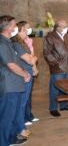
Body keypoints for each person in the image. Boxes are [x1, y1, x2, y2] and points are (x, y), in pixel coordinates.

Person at [0, 15, 31, 146]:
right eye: (13, 25)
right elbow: (11, 65)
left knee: (12, 114)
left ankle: (12, 137)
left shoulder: (9, 42)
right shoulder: (2, 43)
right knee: (6, 116)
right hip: (9, 85)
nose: (15, 27)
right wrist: (25, 74)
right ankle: (3, 141)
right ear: (7, 27)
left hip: (15, 84)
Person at [11, 21, 39, 139]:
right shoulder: (17, 44)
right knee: (21, 104)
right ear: (21, 30)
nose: (28, 31)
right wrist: (33, 59)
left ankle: (21, 126)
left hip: (27, 73)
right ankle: (20, 128)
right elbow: (30, 60)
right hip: (24, 75)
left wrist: (33, 60)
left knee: (23, 103)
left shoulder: (22, 43)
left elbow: (32, 58)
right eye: (26, 29)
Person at [43, 19, 68, 117]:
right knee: (55, 89)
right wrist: (56, 63)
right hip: (57, 68)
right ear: (58, 27)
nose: (66, 28)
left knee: (65, 88)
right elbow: (47, 53)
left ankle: (64, 105)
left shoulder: (66, 36)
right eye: (64, 26)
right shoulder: (50, 37)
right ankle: (53, 108)